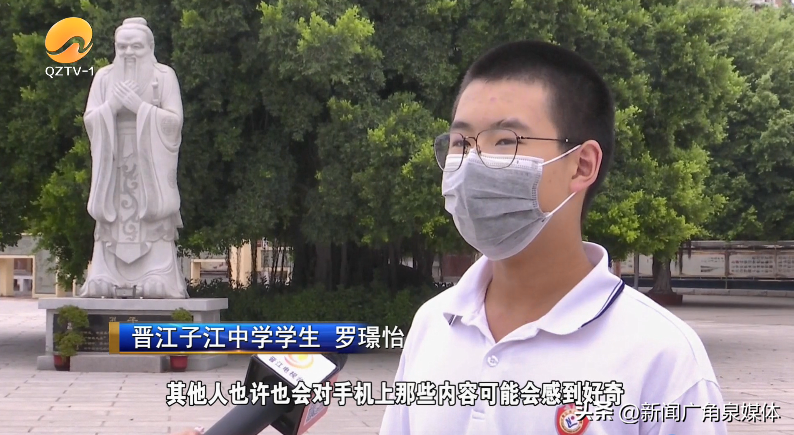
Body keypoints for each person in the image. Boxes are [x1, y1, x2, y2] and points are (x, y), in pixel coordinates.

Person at [378, 40, 727, 434]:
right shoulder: (433, 324)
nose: (473, 163)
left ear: (582, 165)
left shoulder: (662, 357)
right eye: (460, 143)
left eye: (505, 141)